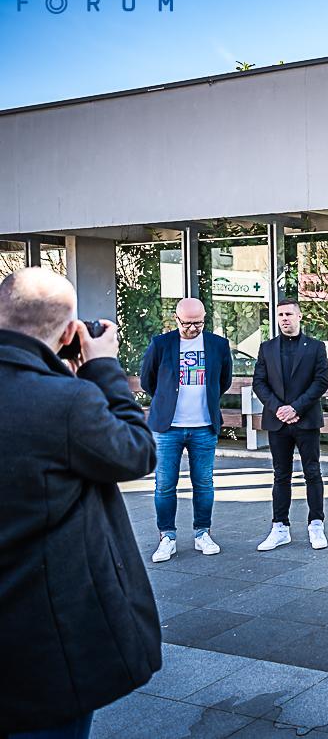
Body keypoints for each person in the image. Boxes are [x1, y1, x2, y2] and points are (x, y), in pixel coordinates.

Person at [0, 268, 160, 739]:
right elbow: (135, 452)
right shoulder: (64, 401)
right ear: (70, 333)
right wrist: (103, 367)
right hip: (42, 642)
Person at [140, 296, 234, 563]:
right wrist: (167, 400)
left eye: (198, 323)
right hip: (167, 427)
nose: (193, 328)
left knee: (203, 483)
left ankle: (202, 533)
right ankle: (167, 537)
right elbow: (148, 381)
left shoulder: (218, 345)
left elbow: (223, 381)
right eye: (187, 323)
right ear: (176, 319)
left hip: (204, 426)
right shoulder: (161, 344)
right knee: (164, 485)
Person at [253, 299, 328, 551]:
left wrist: (296, 408)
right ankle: (280, 527)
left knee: (312, 472)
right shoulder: (266, 348)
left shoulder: (316, 347)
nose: (284, 318)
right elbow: (259, 383)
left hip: (306, 420)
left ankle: (316, 525)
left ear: (299, 316)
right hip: (277, 422)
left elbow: (321, 382)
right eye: (280, 315)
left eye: (289, 314)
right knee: (281, 475)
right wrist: (279, 408)